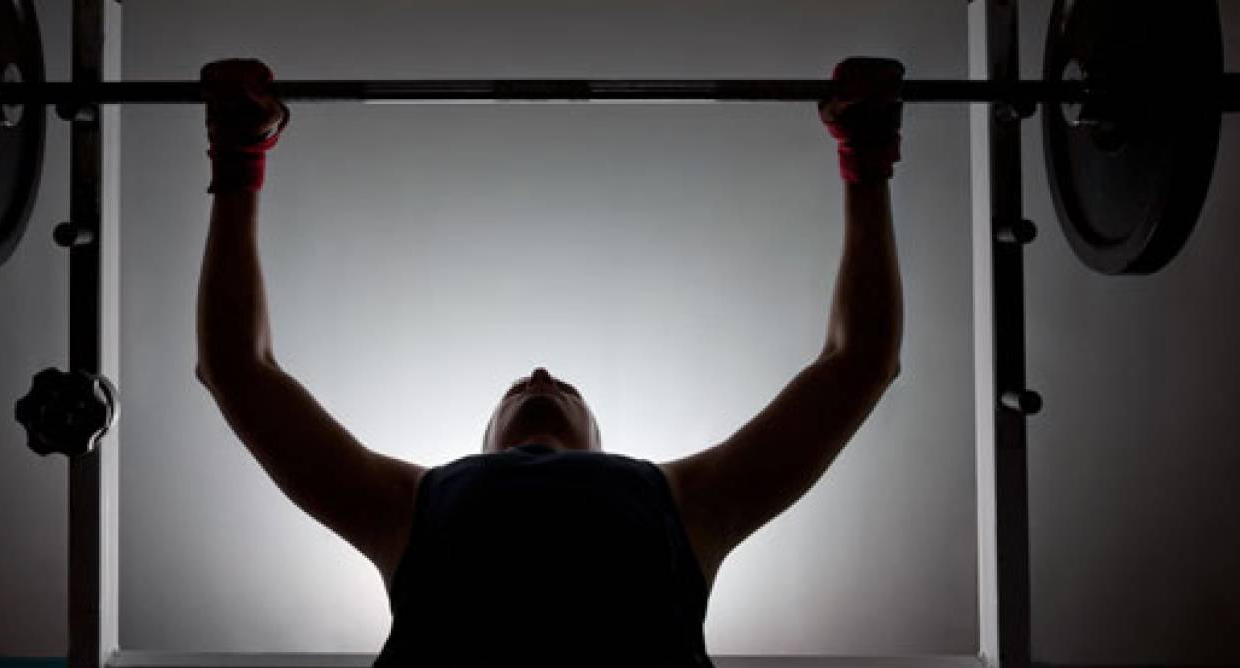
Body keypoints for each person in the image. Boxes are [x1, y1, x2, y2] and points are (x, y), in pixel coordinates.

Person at [195, 57, 905, 667]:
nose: (538, 373)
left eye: (559, 384)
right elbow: (237, 370)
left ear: (601, 442)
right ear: (482, 442)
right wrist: (238, 154)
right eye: (519, 386)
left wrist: (237, 152)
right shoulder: (417, 505)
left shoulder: (680, 502)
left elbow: (859, 363)